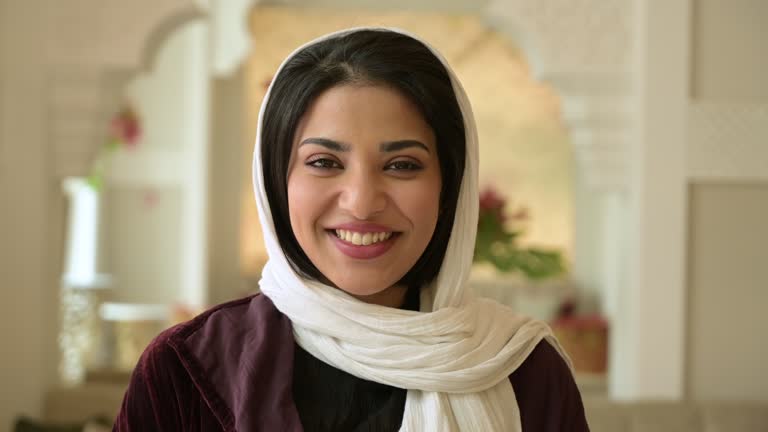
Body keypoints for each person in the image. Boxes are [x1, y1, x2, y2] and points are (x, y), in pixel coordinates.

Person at [113, 27, 590, 431]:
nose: (362, 202)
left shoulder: (523, 371)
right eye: (324, 162)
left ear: (450, 187)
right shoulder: (185, 371)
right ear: (277, 183)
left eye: (403, 165)